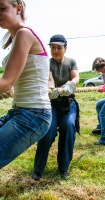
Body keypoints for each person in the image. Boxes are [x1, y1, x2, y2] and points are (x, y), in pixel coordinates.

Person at [0, 0, 52, 169]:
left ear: (18, 8)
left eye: (1, 8)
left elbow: (6, 82)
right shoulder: (16, 37)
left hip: (34, 115)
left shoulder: (24, 34)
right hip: (20, 112)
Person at [32, 34, 80, 181]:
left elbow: (76, 77)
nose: (56, 50)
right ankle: (38, 169)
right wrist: (52, 90)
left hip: (68, 103)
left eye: (59, 47)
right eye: (53, 47)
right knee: (47, 132)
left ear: (65, 48)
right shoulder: (47, 63)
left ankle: (63, 168)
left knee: (69, 127)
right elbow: (49, 80)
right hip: (51, 103)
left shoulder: (71, 62)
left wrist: (69, 85)